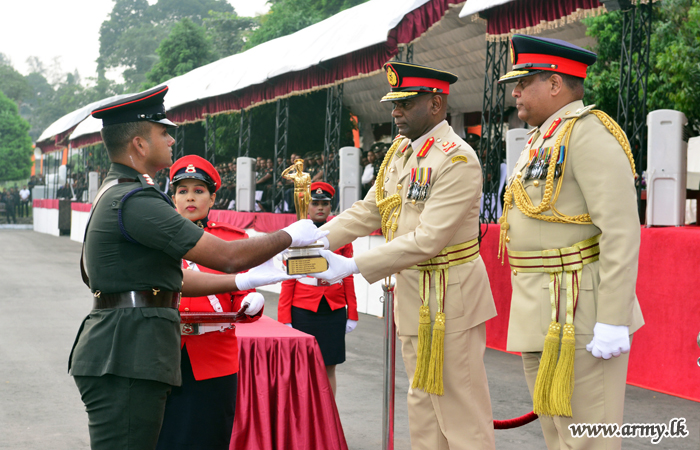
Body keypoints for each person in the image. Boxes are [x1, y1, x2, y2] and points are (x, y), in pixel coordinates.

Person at [68, 85, 326, 450]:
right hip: (127, 354)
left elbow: (170, 279)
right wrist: (291, 234)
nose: (171, 139)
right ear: (139, 144)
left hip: (128, 351)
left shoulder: (122, 191)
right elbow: (227, 255)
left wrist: (242, 280)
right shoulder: (135, 200)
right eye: (163, 131)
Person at [313, 62, 497, 450]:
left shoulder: (456, 158)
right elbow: (372, 209)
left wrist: (354, 265)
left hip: (451, 297)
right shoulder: (401, 152)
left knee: (461, 412)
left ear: (435, 103)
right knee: (423, 407)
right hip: (417, 293)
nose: (395, 112)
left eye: (406, 103)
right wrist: (317, 238)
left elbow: (429, 238)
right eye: (394, 103)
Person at [497, 35, 644, 449]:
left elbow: (620, 230)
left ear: (556, 84)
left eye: (524, 83)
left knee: (587, 439)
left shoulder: (588, 133)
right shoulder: (541, 140)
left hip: (579, 309)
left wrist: (613, 318)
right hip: (541, 308)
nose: (515, 92)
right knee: (558, 435)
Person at [156, 155, 264, 450]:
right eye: (183, 190)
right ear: (173, 196)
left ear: (213, 196)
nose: (190, 197)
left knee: (210, 436)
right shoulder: (155, 237)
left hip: (215, 356)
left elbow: (242, 294)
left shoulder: (232, 241)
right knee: (163, 437)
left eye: (199, 191)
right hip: (162, 350)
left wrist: (253, 300)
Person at [278, 182, 358, 397]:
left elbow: (348, 275)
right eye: (315, 203)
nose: (320, 208)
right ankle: (304, 416)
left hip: (333, 308)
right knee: (303, 366)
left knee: (330, 365)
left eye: (325, 203)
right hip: (303, 308)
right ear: (307, 205)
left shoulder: (341, 234)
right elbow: (289, 278)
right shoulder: (296, 233)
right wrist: (284, 317)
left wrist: (352, 313)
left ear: (331, 206)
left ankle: (328, 416)